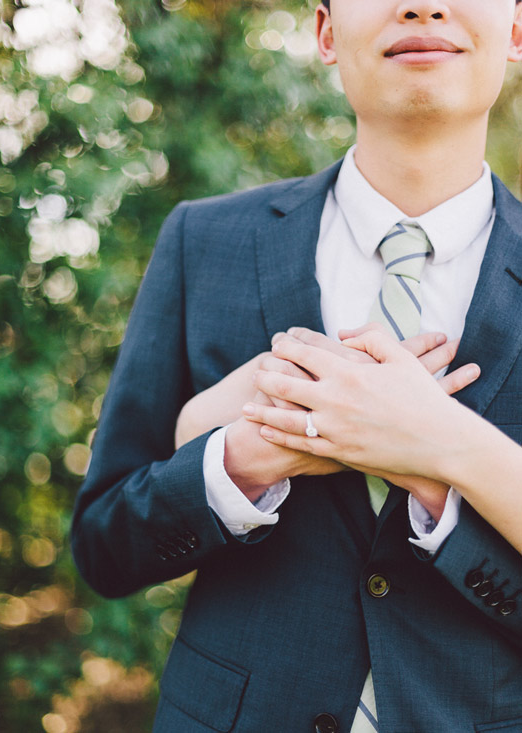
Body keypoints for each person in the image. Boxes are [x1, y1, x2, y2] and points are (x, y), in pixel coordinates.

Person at [71, 0, 522, 730]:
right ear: (325, 33)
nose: (422, 4)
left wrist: (441, 459)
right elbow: (103, 546)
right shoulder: (205, 240)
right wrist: (237, 465)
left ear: (516, 30)